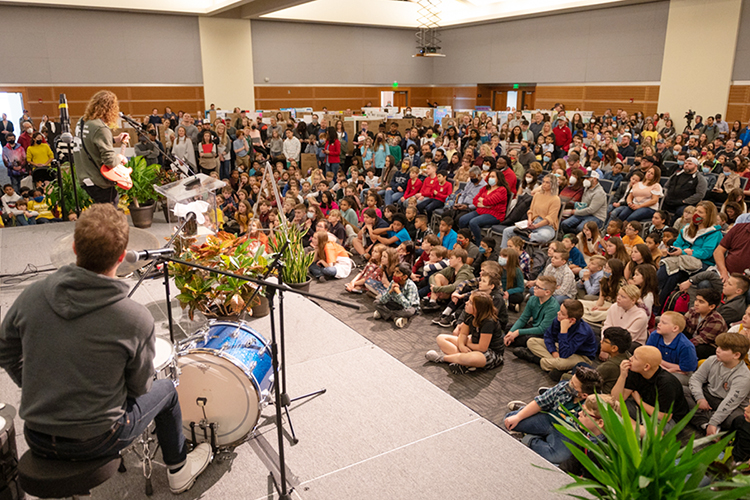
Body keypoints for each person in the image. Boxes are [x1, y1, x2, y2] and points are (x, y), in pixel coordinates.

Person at [0, 204, 211, 494]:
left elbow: (5, 351)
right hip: (100, 438)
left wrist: (35, 384)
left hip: (36, 434)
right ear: (123, 257)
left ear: (74, 248)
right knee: (167, 391)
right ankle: (179, 471)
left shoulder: (31, 295)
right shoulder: (135, 319)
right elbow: (139, 388)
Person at [503, 366, 603, 465]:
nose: (568, 384)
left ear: (584, 395)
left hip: (567, 433)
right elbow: (540, 402)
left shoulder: (593, 407)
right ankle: (525, 410)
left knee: (557, 456)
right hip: (548, 418)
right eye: (571, 380)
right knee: (510, 420)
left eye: (573, 384)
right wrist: (518, 417)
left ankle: (530, 439)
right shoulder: (563, 388)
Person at [611, 346, 690, 432]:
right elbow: (616, 399)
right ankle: (634, 427)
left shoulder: (666, 383)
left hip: (669, 419)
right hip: (644, 409)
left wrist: (639, 401)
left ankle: (632, 428)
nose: (630, 359)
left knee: (654, 432)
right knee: (611, 406)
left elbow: (664, 417)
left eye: (635, 358)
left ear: (646, 367)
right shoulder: (635, 371)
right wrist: (622, 376)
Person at [425, 291, 505, 374]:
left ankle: (442, 358)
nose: (466, 303)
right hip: (474, 344)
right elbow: (463, 334)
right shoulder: (469, 315)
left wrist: (466, 344)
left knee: (472, 358)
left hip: (490, 352)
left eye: (470, 302)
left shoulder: (488, 322)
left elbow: (482, 348)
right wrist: (461, 345)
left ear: (478, 307)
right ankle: (464, 363)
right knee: (441, 338)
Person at [73, 90, 132, 203]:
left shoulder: (82, 122)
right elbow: (109, 161)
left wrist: (115, 139)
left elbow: (89, 141)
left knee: (100, 213)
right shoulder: (101, 128)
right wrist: (120, 157)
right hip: (97, 179)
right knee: (108, 214)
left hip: (84, 176)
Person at [688, 332, 750, 436]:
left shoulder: (744, 377)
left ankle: (703, 423)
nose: (718, 350)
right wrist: (700, 398)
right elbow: (696, 378)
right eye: (718, 346)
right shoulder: (712, 359)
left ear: (736, 355)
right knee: (682, 391)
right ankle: (708, 425)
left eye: (723, 349)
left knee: (735, 419)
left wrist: (713, 422)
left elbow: (729, 403)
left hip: (732, 406)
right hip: (709, 395)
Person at [523, 299, 598, 374]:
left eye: (562, 313)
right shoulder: (559, 319)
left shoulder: (583, 332)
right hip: (563, 348)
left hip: (582, 356)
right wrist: (553, 351)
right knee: (531, 341)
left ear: (572, 320)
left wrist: (563, 330)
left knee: (561, 363)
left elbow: (565, 354)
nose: (558, 313)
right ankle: (554, 365)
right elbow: (548, 336)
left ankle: (535, 359)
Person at [501, 174, 561, 247]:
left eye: (547, 182)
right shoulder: (537, 195)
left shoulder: (555, 199)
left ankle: (528, 235)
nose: (544, 184)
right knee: (507, 231)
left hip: (546, 226)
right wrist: (529, 220)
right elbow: (530, 211)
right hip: (533, 222)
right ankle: (504, 254)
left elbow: (550, 218)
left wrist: (536, 226)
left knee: (543, 236)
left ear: (553, 184)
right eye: (543, 182)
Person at [505, 275, 561, 349]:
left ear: (547, 292)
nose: (534, 288)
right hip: (534, 325)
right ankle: (510, 338)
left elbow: (542, 329)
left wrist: (518, 332)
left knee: (523, 339)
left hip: (545, 333)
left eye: (538, 287)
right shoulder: (533, 299)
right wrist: (511, 332)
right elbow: (523, 318)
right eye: (535, 285)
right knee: (508, 328)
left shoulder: (553, 307)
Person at [645, 311, 698, 386]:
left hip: (683, 375)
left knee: (664, 379)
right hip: (658, 367)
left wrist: (660, 362)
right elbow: (648, 355)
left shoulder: (686, 346)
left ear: (675, 328)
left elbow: (685, 370)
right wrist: (664, 368)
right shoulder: (655, 335)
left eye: (663, 323)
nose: (659, 324)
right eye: (659, 321)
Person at [684, 288, 728, 360]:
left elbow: (702, 339)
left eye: (701, 302)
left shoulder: (716, 320)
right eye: (696, 300)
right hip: (693, 338)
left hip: (709, 345)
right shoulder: (693, 310)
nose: (696, 303)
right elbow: (682, 323)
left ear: (712, 306)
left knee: (699, 349)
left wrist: (682, 345)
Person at [373, 262, 420, 328]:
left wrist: (399, 293)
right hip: (395, 303)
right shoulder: (393, 282)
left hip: (405, 307)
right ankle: (395, 317)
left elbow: (408, 305)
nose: (394, 274)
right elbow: (382, 301)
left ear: (404, 277)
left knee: (409, 311)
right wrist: (390, 291)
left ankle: (384, 313)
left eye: (397, 272)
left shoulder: (411, 286)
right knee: (376, 302)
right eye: (394, 271)